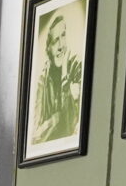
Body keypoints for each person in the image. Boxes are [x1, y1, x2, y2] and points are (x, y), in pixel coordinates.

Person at [30, 8, 85, 145]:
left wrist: (65, 71)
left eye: (63, 35)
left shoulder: (77, 65)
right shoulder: (43, 79)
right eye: (55, 41)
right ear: (48, 48)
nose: (61, 45)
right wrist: (55, 119)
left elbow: (78, 125)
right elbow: (35, 136)